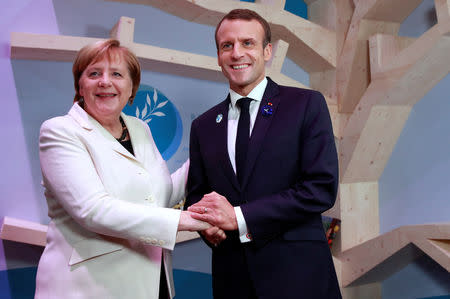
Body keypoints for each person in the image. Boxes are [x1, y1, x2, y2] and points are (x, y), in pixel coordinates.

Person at [34, 39, 210, 299]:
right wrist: (186, 221)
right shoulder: (59, 131)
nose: (105, 81)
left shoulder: (139, 128)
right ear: (80, 86)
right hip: (89, 288)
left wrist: (207, 155)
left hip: (152, 282)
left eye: (117, 74)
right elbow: (93, 210)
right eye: (94, 73)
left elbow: (158, 196)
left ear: (131, 88)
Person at [185, 9, 341, 299]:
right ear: (218, 55)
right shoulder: (203, 125)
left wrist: (239, 217)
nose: (236, 53)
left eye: (248, 43)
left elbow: (320, 188)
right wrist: (206, 226)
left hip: (300, 279)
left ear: (267, 51)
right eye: (226, 45)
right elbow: (197, 196)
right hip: (233, 280)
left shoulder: (305, 105)